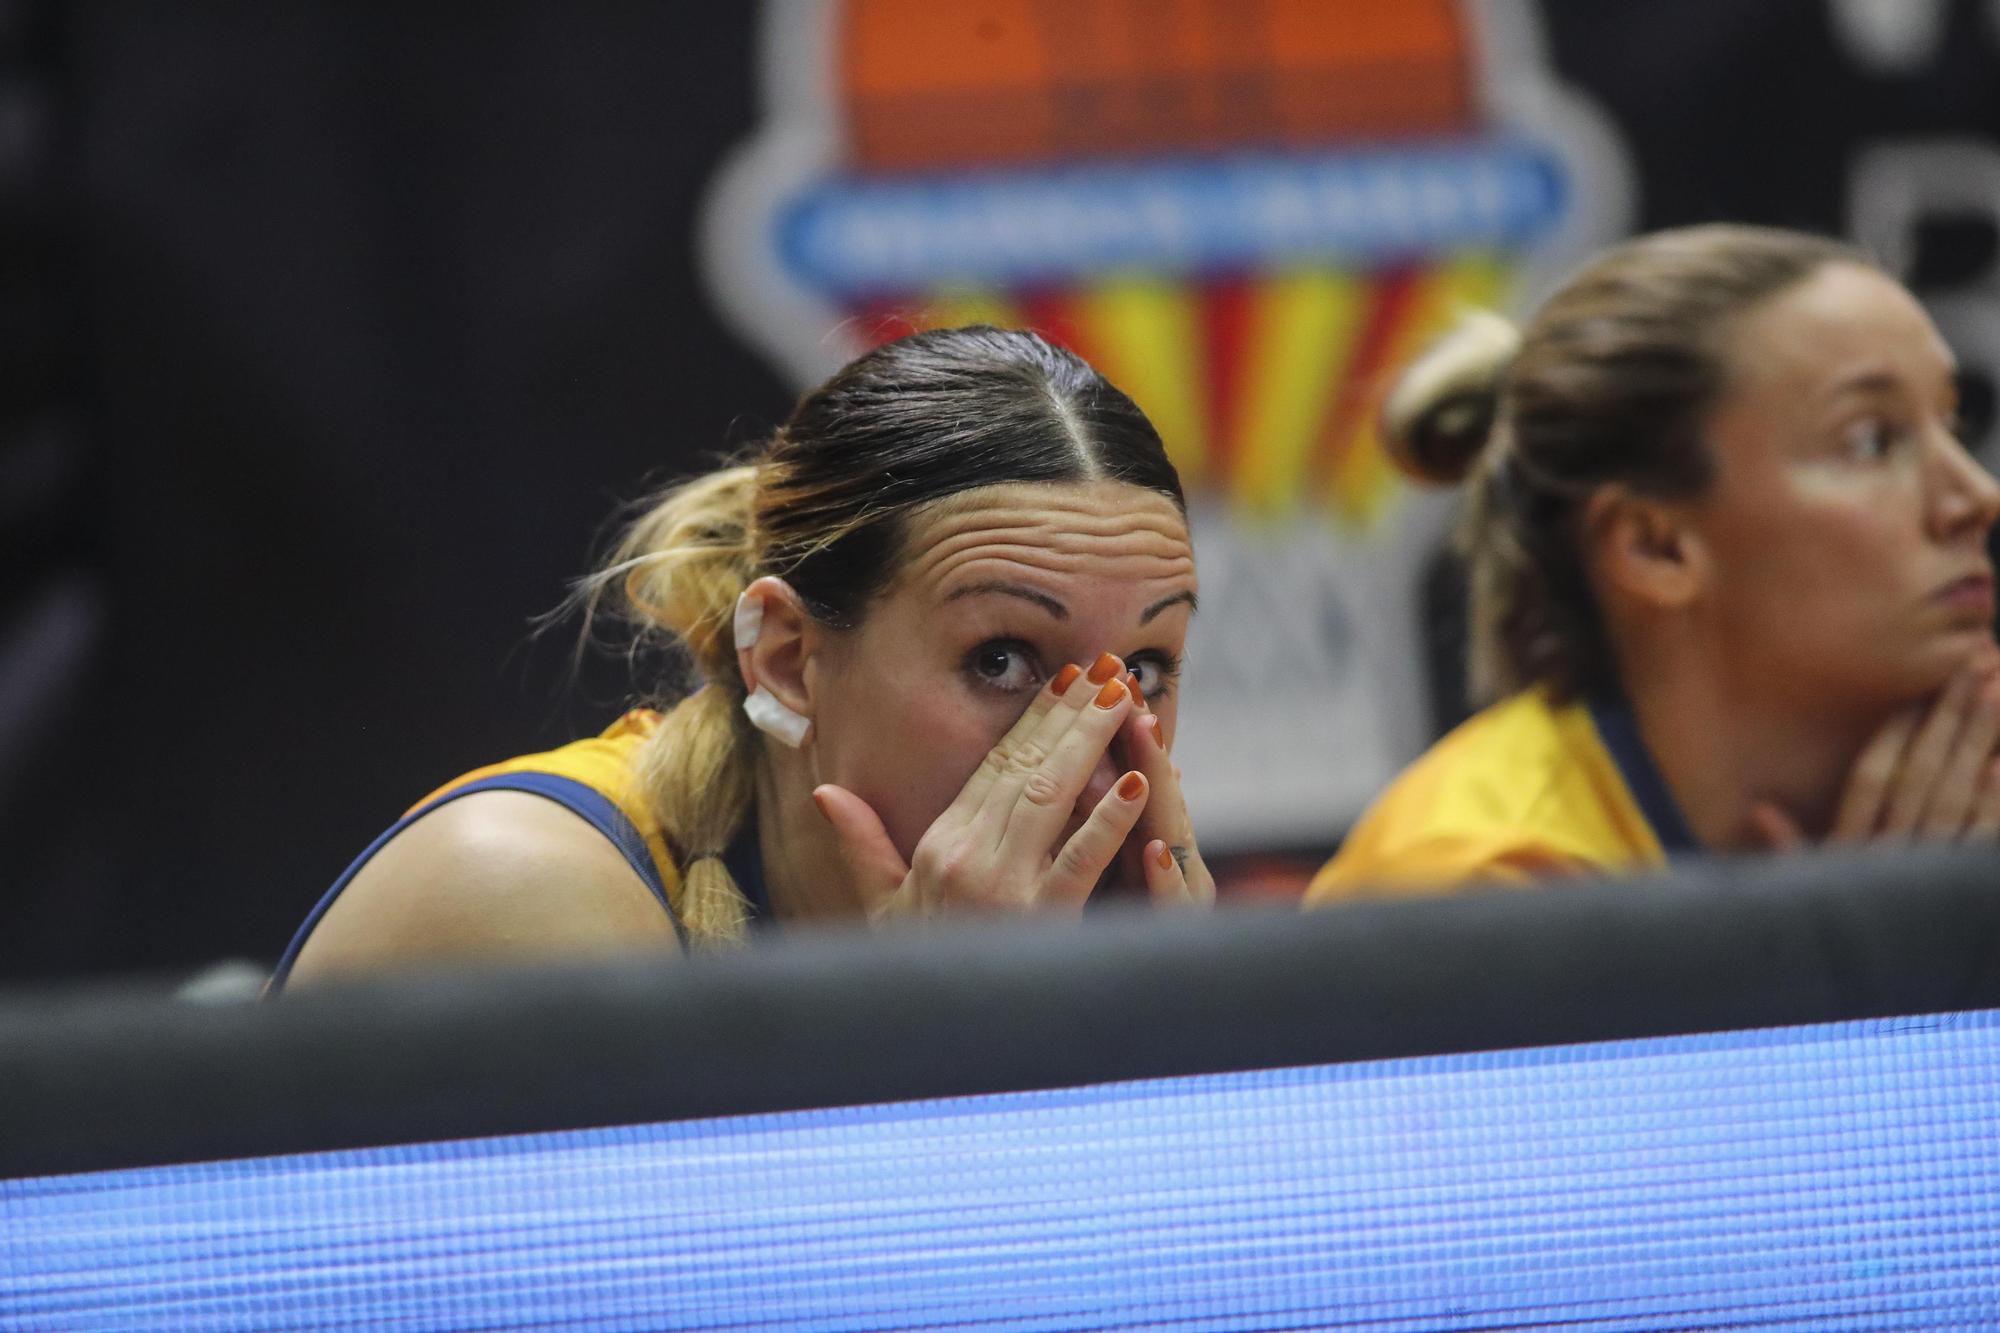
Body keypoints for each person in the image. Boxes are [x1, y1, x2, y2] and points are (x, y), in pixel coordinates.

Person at [274, 327, 1212, 989]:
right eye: (1002, 660)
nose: (1096, 746)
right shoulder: (522, 897)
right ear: (790, 660)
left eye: (1147, 669)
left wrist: (1168, 1029)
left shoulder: (1104, 946)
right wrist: (947, 1034)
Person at [1310, 223, 2000, 899]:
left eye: (1953, 426)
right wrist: (1897, 958)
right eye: (1872, 441)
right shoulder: (1477, 884)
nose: (1978, 497)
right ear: (1655, 545)